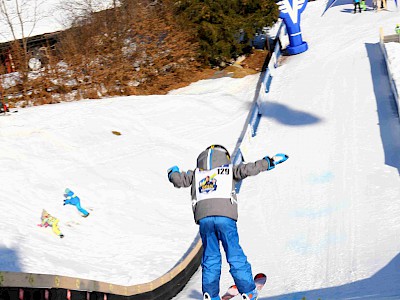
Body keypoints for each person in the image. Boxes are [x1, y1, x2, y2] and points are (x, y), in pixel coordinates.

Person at [167, 145, 288, 300]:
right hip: (225, 217)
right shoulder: (228, 169)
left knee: (211, 257)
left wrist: (173, 172)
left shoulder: (197, 173)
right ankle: (248, 290)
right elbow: (249, 168)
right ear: (225, 157)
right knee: (234, 254)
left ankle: (210, 295)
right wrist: (269, 162)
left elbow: (178, 180)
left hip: (204, 219)